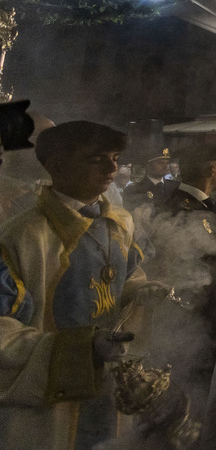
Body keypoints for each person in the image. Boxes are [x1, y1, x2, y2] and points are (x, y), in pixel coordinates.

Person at [0, 121, 170, 450]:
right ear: (56, 165)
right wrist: (82, 349)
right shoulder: (22, 236)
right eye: (96, 159)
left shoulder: (121, 223)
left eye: (115, 157)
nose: (112, 168)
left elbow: (128, 281)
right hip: (50, 407)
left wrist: (141, 294)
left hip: (109, 389)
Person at [151, 145, 216, 411]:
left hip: (198, 306)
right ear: (212, 169)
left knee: (193, 382)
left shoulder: (193, 203)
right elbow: (197, 262)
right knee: (188, 382)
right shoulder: (185, 206)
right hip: (192, 310)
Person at [124, 147, 178, 212]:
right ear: (148, 166)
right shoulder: (133, 189)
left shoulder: (175, 186)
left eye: (168, 163)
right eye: (161, 163)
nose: (166, 166)